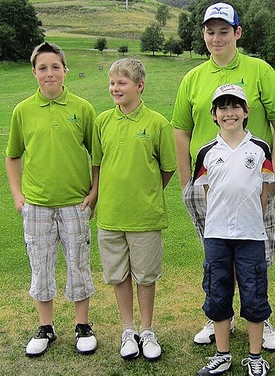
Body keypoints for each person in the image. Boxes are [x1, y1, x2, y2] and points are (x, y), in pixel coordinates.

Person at [171, 1, 275, 352]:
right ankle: (218, 315)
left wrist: (274, 182)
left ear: (238, 33)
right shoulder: (193, 78)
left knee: (257, 258)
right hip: (207, 186)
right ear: (204, 35)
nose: (217, 38)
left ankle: (260, 318)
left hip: (254, 184)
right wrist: (186, 182)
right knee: (216, 257)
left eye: (224, 31)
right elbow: (180, 130)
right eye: (210, 32)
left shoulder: (259, 70)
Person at [5, 42, 98, 358]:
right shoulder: (23, 111)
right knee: (40, 266)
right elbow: (13, 155)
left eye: (55, 67)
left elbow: (96, 156)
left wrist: (94, 192)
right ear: (34, 72)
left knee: (78, 265)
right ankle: (46, 327)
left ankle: (82, 326)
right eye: (42, 68)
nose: (49, 73)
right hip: (37, 206)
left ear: (65, 70)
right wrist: (18, 196)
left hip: (75, 203)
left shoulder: (82, 108)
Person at [92, 58, 176, 362]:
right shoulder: (102, 121)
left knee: (146, 276)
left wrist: (147, 192)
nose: (115, 88)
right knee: (118, 276)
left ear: (139, 86)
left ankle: (146, 329)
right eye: (112, 83)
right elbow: (98, 165)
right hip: (111, 216)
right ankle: (128, 330)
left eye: (122, 83)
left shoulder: (157, 123)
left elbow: (167, 169)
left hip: (145, 217)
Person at [194, 84, 273, 376]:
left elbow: (264, 193)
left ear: (246, 111)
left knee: (254, 295)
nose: (229, 113)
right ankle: (222, 355)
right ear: (214, 115)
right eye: (222, 108)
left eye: (235, 106)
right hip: (216, 236)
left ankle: (254, 357)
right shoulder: (206, 152)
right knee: (217, 293)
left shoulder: (260, 149)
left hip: (251, 236)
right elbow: (206, 192)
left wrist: (250, 221)